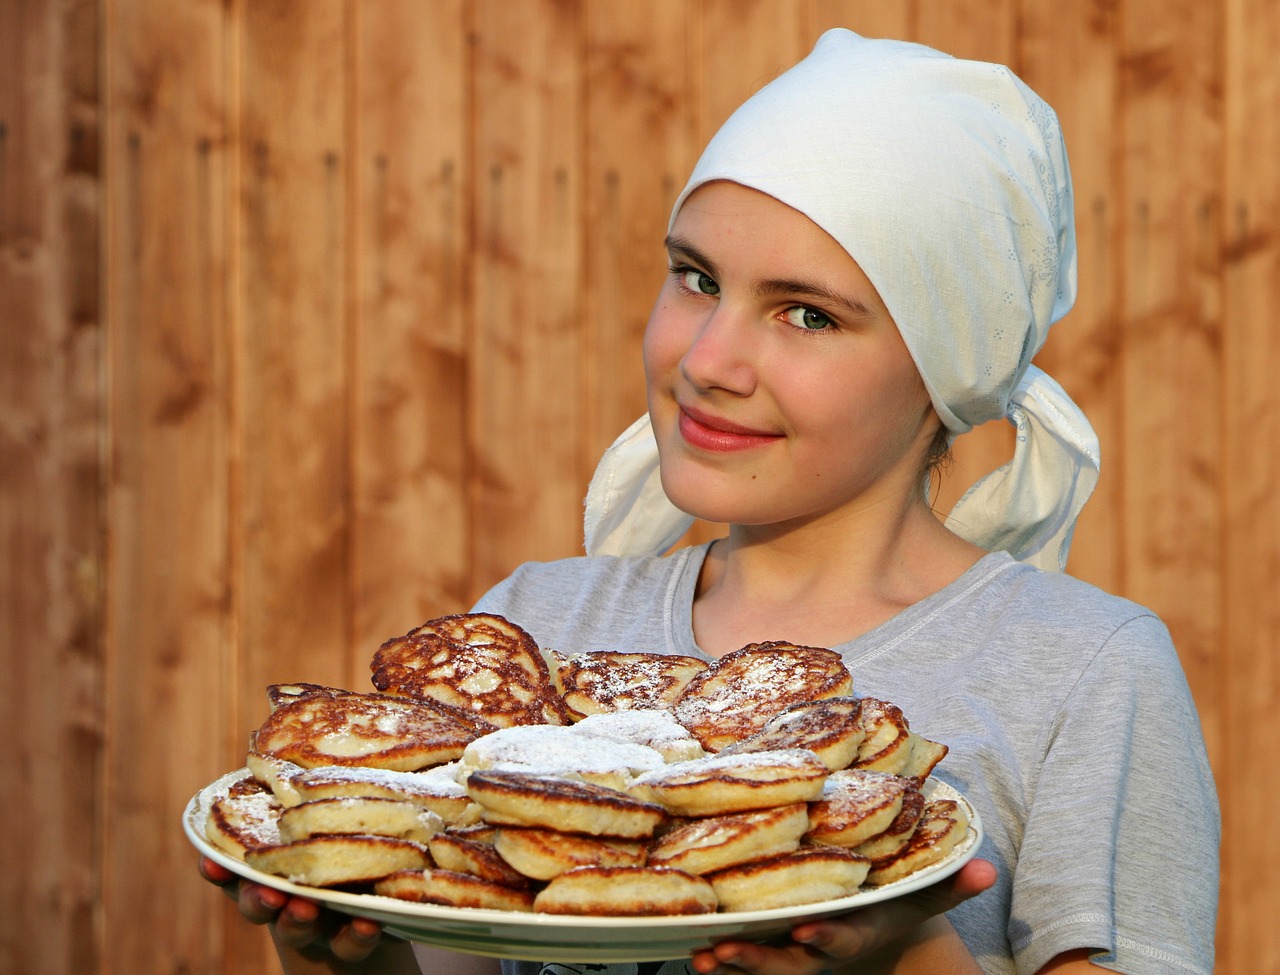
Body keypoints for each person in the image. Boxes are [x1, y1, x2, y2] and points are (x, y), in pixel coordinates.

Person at [201, 28, 1219, 975]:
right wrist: (349, 955)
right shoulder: (535, 630)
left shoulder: (1080, 672)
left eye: (806, 314)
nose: (707, 359)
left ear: (943, 365)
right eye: (694, 279)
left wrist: (898, 957)